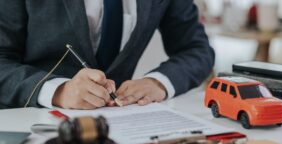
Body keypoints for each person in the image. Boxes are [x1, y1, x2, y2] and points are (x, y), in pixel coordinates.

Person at [0, 0, 214, 109]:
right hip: (30, 128)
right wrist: (58, 91)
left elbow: (197, 49)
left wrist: (158, 83)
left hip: (120, 131)